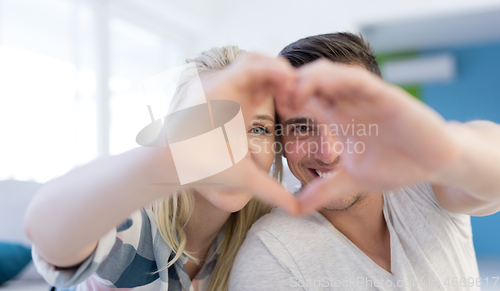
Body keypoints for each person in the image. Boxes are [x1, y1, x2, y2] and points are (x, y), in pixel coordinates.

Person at [229, 33, 500, 290]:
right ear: (281, 143)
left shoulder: (424, 184)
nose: (328, 152)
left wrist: (441, 148)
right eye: (301, 128)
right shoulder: (273, 254)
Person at [24, 46, 300, 291]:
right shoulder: (134, 228)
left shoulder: (269, 233)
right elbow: (47, 229)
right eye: (212, 122)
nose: (237, 148)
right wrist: (162, 161)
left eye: (258, 128)